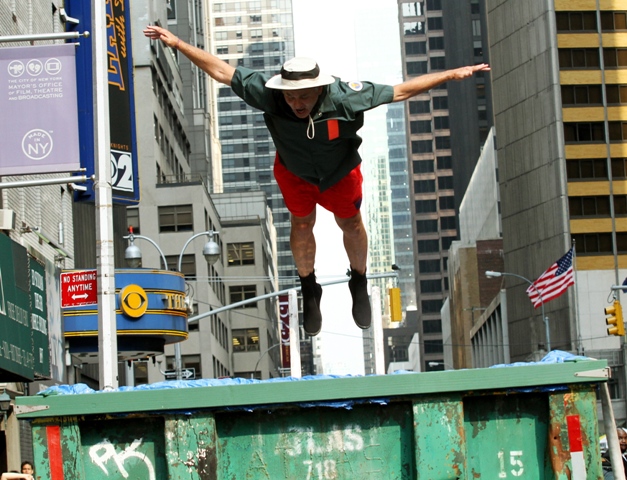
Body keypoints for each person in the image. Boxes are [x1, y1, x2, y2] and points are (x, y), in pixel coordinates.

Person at [143, 24, 490, 336]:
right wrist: (178, 44)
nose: (296, 103)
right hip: (295, 172)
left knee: (351, 224)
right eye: (291, 96)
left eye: (304, 96)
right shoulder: (270, 94)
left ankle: (359, 280)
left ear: (319, 89)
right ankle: (309, 287)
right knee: (301, 223)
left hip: (339, 171)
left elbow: (399, 91)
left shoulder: (346, 97)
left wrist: (450, 75)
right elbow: (221, 70)